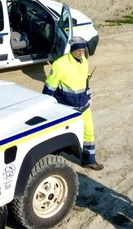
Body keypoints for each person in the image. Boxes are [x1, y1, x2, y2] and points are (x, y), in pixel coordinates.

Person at [43, 37, 103, 170]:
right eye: (78, 50)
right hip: (67, 108)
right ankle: (52, 156)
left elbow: (85, 82)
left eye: (83, 50)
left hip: (84, 105)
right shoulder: (60, 64)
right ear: (72, 50)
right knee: (60, 133)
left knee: (88, 132)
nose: (81, 53)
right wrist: (44, 106)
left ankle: (89, 160)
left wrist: (89, 97)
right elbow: (49, 87)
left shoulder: (84, 61)